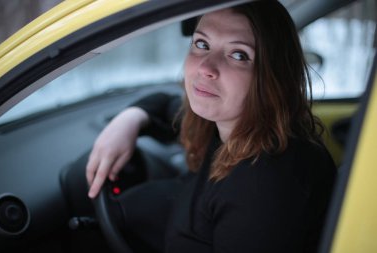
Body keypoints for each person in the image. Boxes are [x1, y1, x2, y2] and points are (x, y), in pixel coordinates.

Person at [86, 1, 337, 252]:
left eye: (238, 55)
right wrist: (130, 118)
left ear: (274, 76)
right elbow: (165, 104)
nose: (206, 67)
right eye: (202, 44)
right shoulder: (227, 122)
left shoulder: (267, 186)